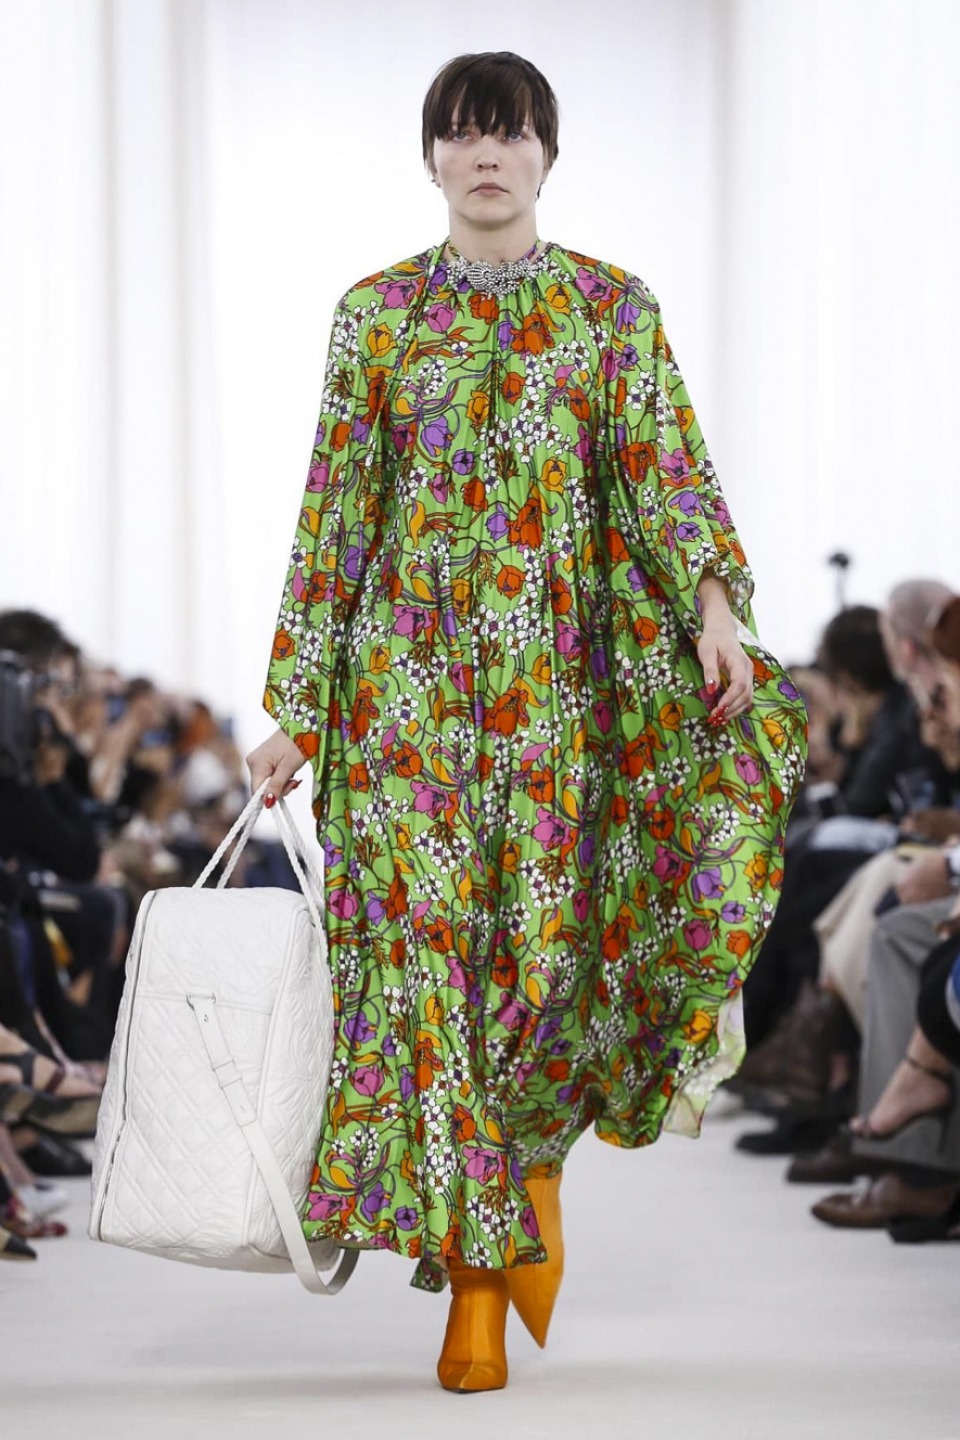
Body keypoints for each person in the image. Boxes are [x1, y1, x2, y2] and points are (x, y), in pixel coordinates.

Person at [246, 50, 807, 1392]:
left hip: (561, 707)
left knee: (540, 975)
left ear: (548, 153)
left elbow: (668, 476)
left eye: (508, 132)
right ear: (431, 157)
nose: (486, 154)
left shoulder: (612, 311)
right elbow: (334, 513)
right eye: (462, 133)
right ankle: (477, 1293)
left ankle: (529, 1176)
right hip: (403, 708)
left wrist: (716, 611)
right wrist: (298, 712)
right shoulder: (375, 317)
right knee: (426, 978)